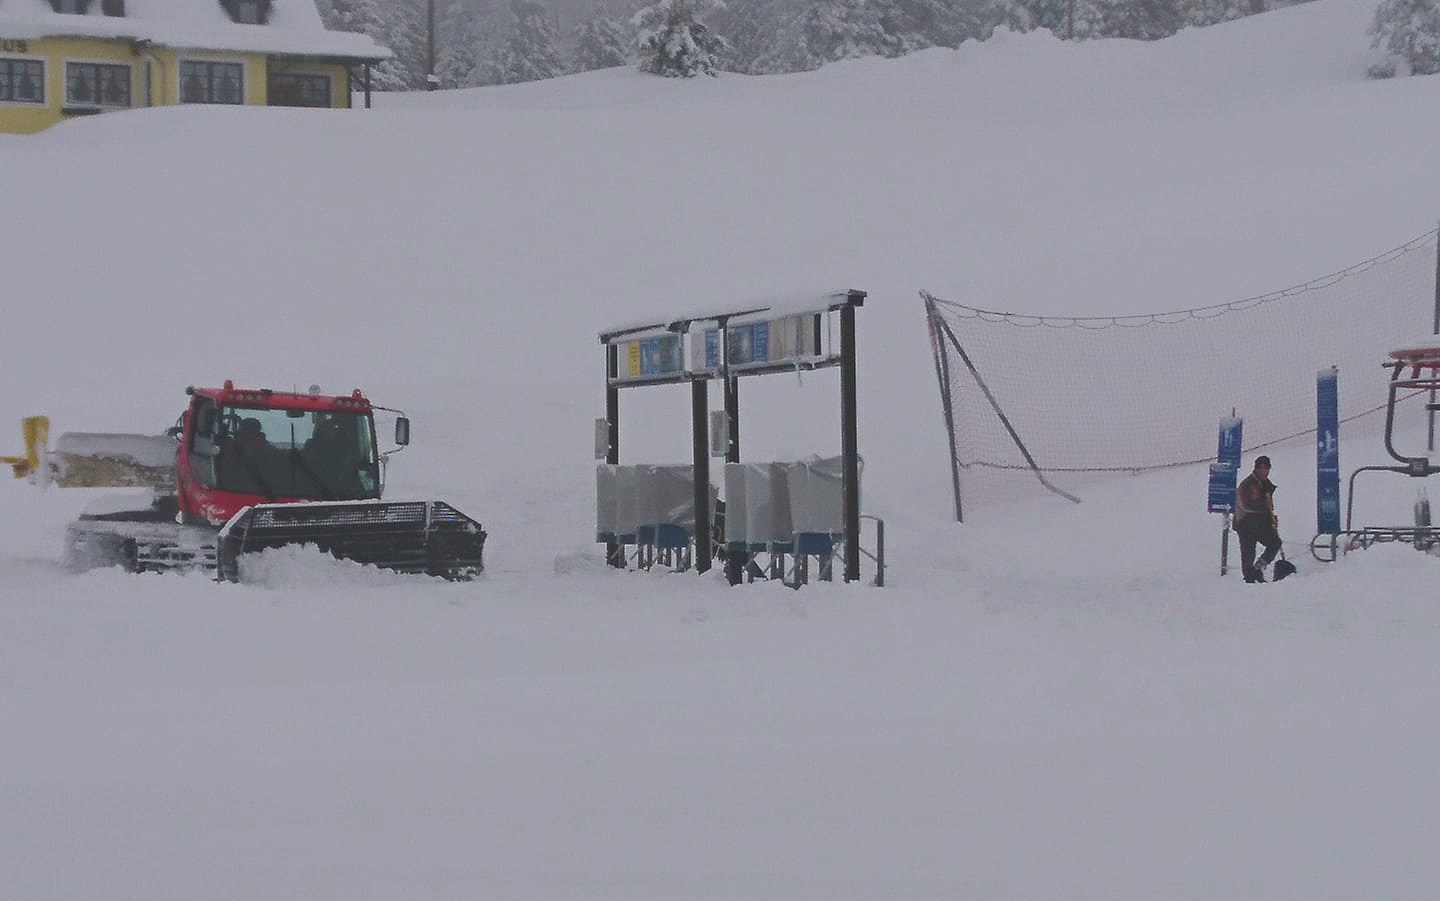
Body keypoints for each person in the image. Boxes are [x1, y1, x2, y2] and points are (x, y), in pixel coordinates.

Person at [1234, 454, 1282, 583]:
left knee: (1275, 543)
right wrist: (1265, 506)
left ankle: (1258, 568)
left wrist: (1271, 517)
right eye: (1262, 468)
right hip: (1245, 524)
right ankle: (1249, 579)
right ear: (1256, 468)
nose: (1265, 471)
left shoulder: (1265, 484)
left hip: (1261, 524)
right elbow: (1247, 505)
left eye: (1267, 468)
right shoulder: (1248, 484)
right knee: (1248, 553)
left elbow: (1268, 505)